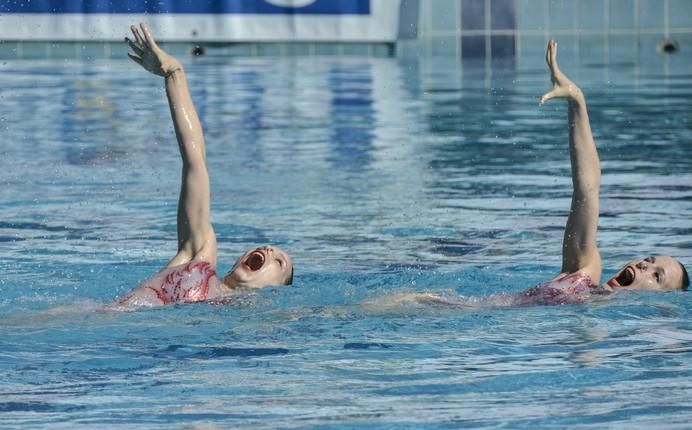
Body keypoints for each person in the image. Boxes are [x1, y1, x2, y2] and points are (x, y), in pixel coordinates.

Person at [393, 40, 688, 307]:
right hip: (442, 310)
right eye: (648, 261)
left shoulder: (605, 324)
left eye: (657, 276)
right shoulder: (584, 270)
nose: (643, 267)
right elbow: (587, 190)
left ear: (660, 302)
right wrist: (577, 101)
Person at [116, 23, 293, 307]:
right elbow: (195, 160)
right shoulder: (199, 254)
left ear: (275, 289)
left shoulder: (249, 320)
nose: (269, 250)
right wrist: (174, 73)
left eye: (280, 262)